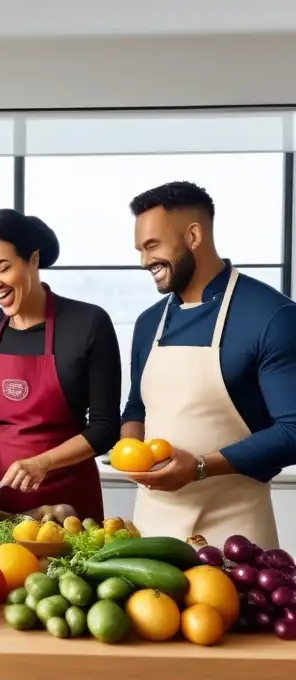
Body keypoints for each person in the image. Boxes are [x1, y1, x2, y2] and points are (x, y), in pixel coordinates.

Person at [121, 181, 296, 548]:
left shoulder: (271, 316)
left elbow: (293, 430)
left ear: (194, 235)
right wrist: (129, 452)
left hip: (236, 534)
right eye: (140, 249)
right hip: (153, 530)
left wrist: (200, 467)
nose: (143, 261)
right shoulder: (148, 323)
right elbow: (137, 408)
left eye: (152, 246)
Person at [0, 209, 121, 521]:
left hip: (69, 505)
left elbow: (105, 429)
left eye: (2, 268)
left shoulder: (87, 323)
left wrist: (42, 463)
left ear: (33, 260)